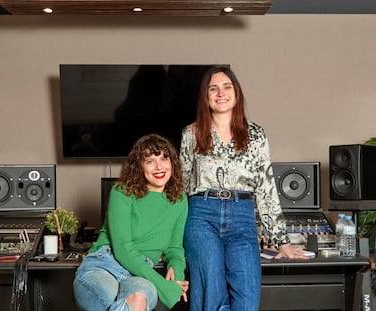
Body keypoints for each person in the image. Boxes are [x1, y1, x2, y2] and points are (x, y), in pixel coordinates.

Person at [179, 65, 309, 311]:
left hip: (242, 216)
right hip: (201, 215)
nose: (221, 93)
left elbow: (266, 188)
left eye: (227, 87)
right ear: (205, 96)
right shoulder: (191, 134)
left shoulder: (256, 135)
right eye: (213, 88)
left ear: (236, 93)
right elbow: (181, 187)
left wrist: (280, 240)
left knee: (247, 297)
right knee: (211, 292)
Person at [73, 134, 189, 311]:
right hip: (105, 263)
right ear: (139, 166)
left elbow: (175, 248)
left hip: (140, 273)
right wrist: (163, 286)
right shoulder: (122, 192)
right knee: (108, 296)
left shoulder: (179, 200)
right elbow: (123, 249)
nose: (159, 166)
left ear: (173, 162)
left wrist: (176, 268)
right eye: (150, 161)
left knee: (141, 295)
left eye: (164, 158)